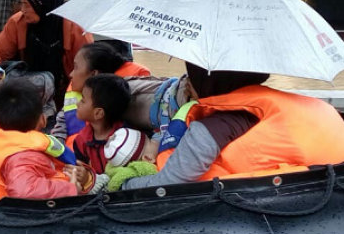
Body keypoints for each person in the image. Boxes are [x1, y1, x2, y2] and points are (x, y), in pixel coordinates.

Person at [120, 63, 344, 191]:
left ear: (209, 82)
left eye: (193, 77)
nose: (186, 83)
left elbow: (166, 185)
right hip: (323, 187)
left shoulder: (212, 127)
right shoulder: (275, 103)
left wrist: (121, 185)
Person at [0, 0, 92, 112]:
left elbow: (88, 69)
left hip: (67, 95)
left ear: (41, 4)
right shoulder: (18, 22)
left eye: (27, 5)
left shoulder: (75, 28)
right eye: (21, 3)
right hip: (27, 94)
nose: (22, 10)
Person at [0, 79, 88, 202]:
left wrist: (87, 178)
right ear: (43, 119)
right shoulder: (22, 155)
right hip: (21, 218)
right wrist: (70, 189)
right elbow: (24, 191)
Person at [53, 42, 151, 144]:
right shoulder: (72, 102)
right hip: (72, 157)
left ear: (94, 74)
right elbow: (58, 135)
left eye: (76, 67)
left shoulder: (119, 103)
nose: (71, 74)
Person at [73, 74, 132, 175]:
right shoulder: (81, 142)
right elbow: (81, 170)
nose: (77, 104)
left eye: (82, 100)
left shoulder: (128, 138)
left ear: (98, 113)